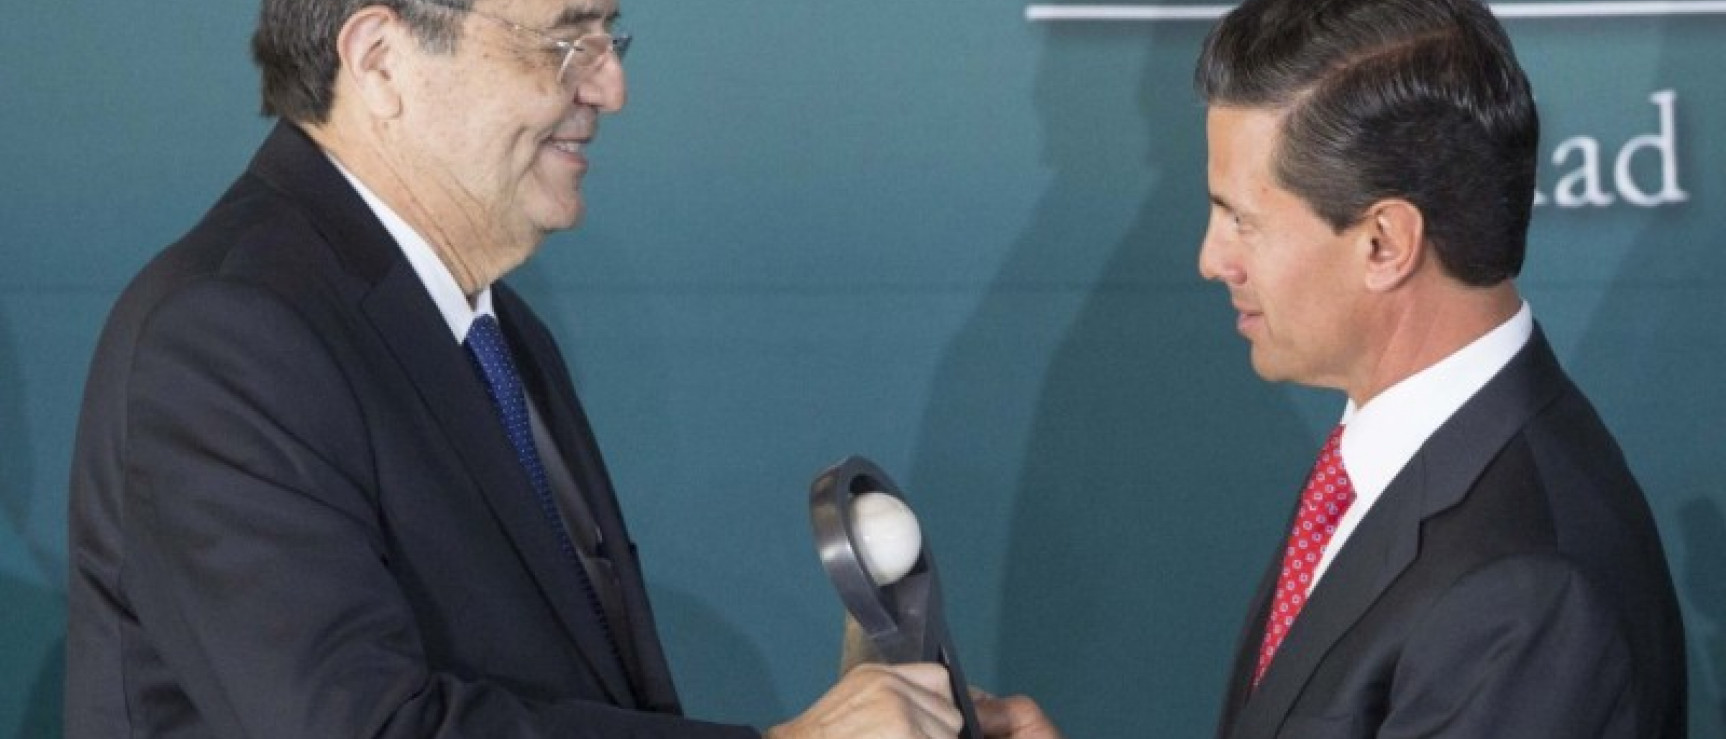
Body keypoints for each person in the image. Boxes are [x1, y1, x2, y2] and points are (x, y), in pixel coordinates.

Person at [63, 0, 966, 736]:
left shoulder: (496, 329)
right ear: (380, 59)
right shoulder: (228, 335)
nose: (611, 85)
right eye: (566, 38)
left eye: (609, 36)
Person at [981, 0, 1688, 736]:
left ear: (1384, 242)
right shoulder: (1397, 464)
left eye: (1242, 220)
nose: (1210, 258)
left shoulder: (1524, 596)